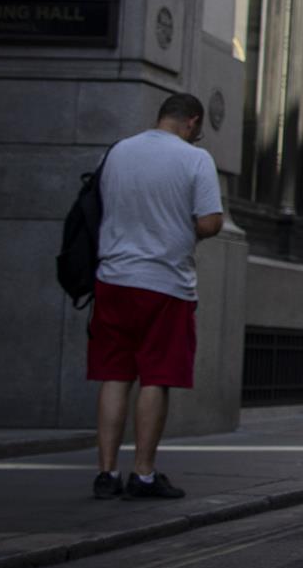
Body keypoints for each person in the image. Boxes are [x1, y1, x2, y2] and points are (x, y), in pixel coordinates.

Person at [88, 92, 224, 501]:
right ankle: (143, 474)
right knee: (156, 377)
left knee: (115, 376)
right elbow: (210, 221)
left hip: (112, 279)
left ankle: (106, 474)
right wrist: (189, 229)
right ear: (192, 122)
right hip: (165, 284)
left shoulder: (117, 152)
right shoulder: (194, 159)